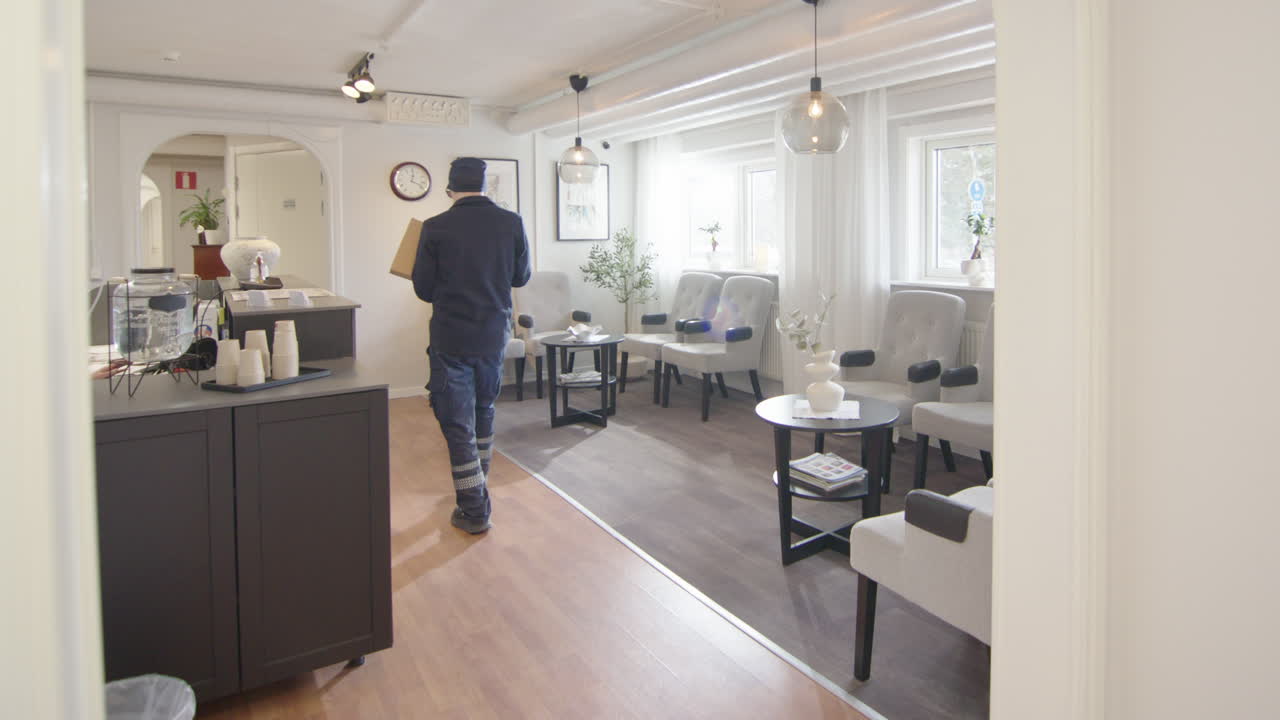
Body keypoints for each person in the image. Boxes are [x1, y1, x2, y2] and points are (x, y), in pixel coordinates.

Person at [412, 157, 531, 533]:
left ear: (450, 190)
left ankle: (475, 508)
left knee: (456, 422)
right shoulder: (511, 223)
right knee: (484, 410)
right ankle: (478, 488)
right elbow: (521, 276)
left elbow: (423, 288)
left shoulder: (434, 227)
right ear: (484, 187)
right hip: (494, 335)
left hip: (452, 338)